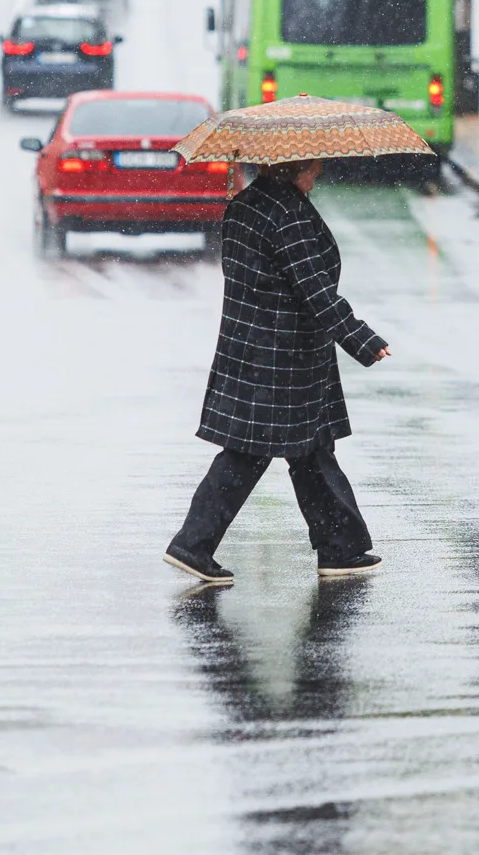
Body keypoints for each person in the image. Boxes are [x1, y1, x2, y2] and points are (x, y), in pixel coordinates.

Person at [165, 157, 391, 586]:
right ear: (293, 166)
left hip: (253, 345)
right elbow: (315, 290)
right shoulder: (286, 214)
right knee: (249, 454)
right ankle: (192, 544)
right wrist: (359, 338)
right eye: (314, 165)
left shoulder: (247, 203)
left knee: (311, 450)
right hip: (282, 355)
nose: (319, 171)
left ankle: (340, 548)